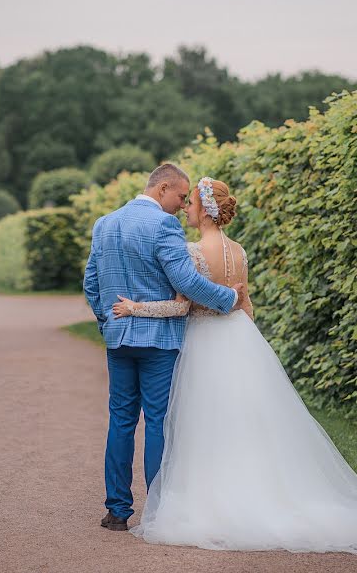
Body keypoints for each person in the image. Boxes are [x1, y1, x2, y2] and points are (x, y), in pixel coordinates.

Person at [110, 176, 357, 554]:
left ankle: (215, 495)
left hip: (203, 342)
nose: (186, 208)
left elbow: (183, 306)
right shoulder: (241, 251)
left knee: (205, 424)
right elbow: (245, 305)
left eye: (191, 203)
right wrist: (247, 344)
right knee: (248, 422)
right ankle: (259, 488)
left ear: (204, 210)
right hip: (239, 339)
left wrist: (136, 308)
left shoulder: (192, 251)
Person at [83, 164, 248, 532]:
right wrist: (227, 299)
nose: (181, 204)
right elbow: (186, 280)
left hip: (119, 338)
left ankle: (117, 511)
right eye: (179, 196)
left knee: (121, 421)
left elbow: (92, 283)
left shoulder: (104, 223)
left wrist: (107, 321)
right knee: (158, 421)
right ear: (162, 188)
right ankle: (157, 512)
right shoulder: (163, 225)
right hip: (159, 341)